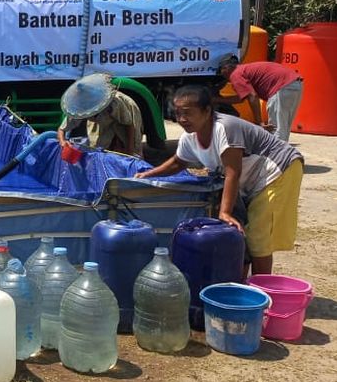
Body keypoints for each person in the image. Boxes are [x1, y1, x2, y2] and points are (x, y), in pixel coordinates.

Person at [135, 84, 303, 276]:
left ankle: (260, 291)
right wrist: (148, 175)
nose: (182, 119)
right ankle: (240, 283)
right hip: (251, 179)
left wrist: (224, 212)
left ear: (207, 111)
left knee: (258, 235)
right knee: (238, 229)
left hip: (279, 168)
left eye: (188, 113)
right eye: (178, 113)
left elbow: (233, 171)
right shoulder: (189, 138)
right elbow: (178, 163)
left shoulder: (224, 128)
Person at [216, 54, 304, 141]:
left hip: (281, 87)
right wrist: (218, 99)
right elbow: (241, 98)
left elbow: (253, 96)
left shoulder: (235, 74)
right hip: (295, 84)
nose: (222, 75)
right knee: (283, 127)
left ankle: (276, 154)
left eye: (220, 71)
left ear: (226, 68)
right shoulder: (244, 69)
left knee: (276, 130)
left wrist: (259, 122)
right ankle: (283, 153)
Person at [56, 87, 144, 157]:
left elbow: (129, 124)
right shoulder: (79, 108)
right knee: (96, 149)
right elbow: (62, 129)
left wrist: (130, 149)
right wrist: (63, 142)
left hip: (125, 112)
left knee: (132, 150)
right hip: (100, 120)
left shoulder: (114, 102)